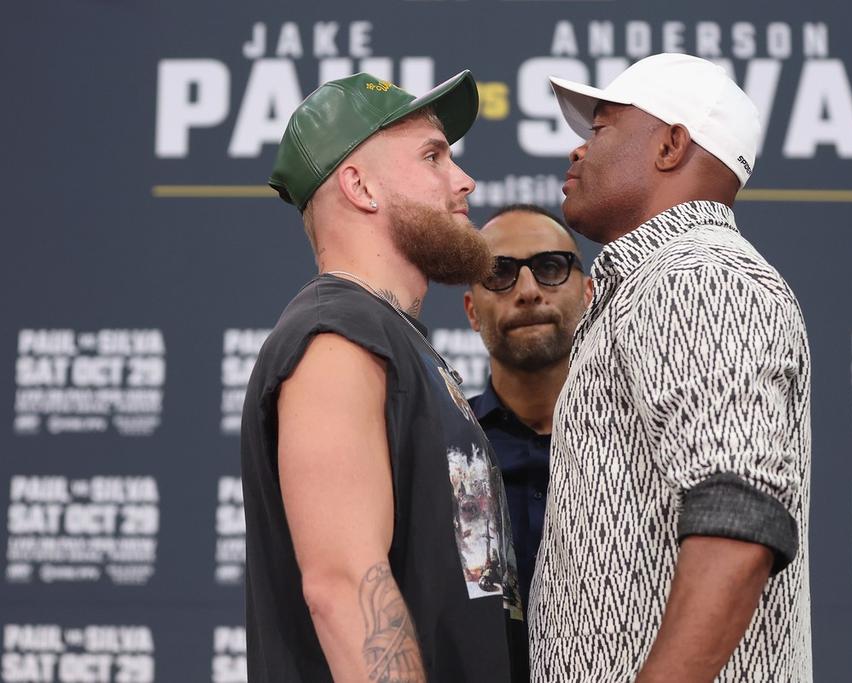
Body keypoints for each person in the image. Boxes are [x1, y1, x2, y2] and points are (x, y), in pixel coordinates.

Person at [530, 53, 812, 682]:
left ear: (671, 146)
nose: (578, 151)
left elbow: (737, 522)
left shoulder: (697, 279)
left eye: (600, 130)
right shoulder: (653, 284)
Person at [240, 70, 527, 683]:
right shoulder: (336, 336)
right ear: (360, 186)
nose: (465, 181)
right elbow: (344, 588)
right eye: (433, 156)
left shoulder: (392, 339)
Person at [462, 204, 593, 614]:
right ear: (471, 311)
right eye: (500, 274)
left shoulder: (639, 442)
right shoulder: (441, 447)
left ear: (589, 295)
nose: (528, 290)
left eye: (550, 267)